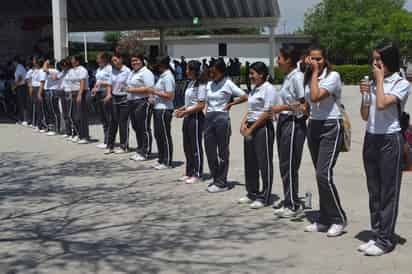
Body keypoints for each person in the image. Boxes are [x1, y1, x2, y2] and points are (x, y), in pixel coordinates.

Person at [358, 44, 410, 256]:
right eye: (373, 60)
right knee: (374, 190)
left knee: (388, 191)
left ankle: (386, 240)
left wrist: (378, 81)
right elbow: (365, 114)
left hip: (390, 138)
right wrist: (364, 94)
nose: (375, 64)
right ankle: (377, 232)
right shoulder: (373, 83)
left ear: (389, 60)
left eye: (379, 59)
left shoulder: (401, 83)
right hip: (371, 137)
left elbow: (382, 104)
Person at [303, 46, 347, 237]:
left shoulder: (333, 76)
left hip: (331, 126)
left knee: (323, 174)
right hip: (313, 125)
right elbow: (309, 102)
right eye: (312, 59)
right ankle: (324, 218)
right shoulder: (307, 76)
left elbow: (316, 96)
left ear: (325, 59)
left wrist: (312, 72)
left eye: (319, 59)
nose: (316, 62)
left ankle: (339, 219)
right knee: (320, 175)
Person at [272, 46, 307, 218]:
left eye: (279, 58)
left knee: (290, 164)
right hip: (284, 122)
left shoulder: (297, 78)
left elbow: (304, 104)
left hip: (294, 122)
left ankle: (293, 205)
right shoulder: (288, 77)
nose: (277, 61)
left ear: (288, 60)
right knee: (285, 164)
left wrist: (283, 107)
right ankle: (289, 199)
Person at [238, 62, 277, 208]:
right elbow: (251, 110)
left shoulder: (269, 89)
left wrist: (252, 128)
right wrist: (243, 123)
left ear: (261, 74)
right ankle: (252, 192)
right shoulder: (255, 89)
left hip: (262, 128)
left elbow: (267, 113)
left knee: (264, 162)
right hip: (251, 126)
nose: (250, 76)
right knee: (250, 161)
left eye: (252, 73)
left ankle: (265, 196)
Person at [205, 59, 248, 190]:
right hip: (209, 118)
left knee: (222, 151)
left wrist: (230, 104)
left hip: (221, 118)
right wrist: (206, 111)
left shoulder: (228, 83)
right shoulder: (209, 84)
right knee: (209, 150)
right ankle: (215, 177)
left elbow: (244, 96)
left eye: (214, 72)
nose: (211, 74)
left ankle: (222, 182)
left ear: (221, 72)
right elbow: (207, 100)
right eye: (210, 72)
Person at [175, 60, 207, 183]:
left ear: (193, 71)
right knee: (187, 146)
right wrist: (181, 109)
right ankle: (189, 171)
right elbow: (189, 103)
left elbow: (200, 105)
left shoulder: (201, 85)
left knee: (196, 146)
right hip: (188, 116)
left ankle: (198, 173)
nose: (186, 71)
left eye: (188, 69)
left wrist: (185, 112)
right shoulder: (190, 83)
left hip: (196, 118)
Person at [127, 52, 155, 161]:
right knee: (136, 127)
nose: (134, 63)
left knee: (144, 127)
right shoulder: (132, 72)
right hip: (132, 102)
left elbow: (150, 88)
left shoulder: (146, 73)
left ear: (142, 61)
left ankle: (146, 152)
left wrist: (131, 90)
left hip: (142, 102)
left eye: (136, 60)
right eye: (132, 61)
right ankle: (140, 149)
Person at [150, 56, 176, 170]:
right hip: (158, 108)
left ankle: (167, 161)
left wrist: (154, 92)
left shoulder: (168, 77)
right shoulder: (162, 76)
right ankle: (161, 158)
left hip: (164, 109)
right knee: (158, 135)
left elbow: (170, 95)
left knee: (164, 135)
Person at [105, 52, 131, 154]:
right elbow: (109, 84)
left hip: (124, 98)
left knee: (123, 123)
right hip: (114, 98)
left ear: (121, 60)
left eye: (115, 60)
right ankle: (110, 145)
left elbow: (129, 85)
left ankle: (124, 146)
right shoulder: (112, 71)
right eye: (112, 61)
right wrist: (108, 94)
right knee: (112, 122)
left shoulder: (127, 71)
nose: (114, 62)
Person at [67, 54, 90, 144]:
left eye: (72, 58)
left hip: (82, 93)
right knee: (74, 115)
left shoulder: (82, 70)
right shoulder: (71, 70)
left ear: (77, 61)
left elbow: (82, 83)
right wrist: (70, 93)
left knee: (81, 115)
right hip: (73, 93)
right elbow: (70, 83)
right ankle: (77, 134)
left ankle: (84, 136)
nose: (71, 60)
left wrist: (80, 95)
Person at [93, 52, 113, 149]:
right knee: (102, 118)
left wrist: (101, 83)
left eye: (98, 58)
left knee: (108, 117)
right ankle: (106, 139)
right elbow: (97, 81)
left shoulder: (109, 68)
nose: (97, 60)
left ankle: (109, 140)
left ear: (104, 59)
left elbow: (111, 81)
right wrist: (94, 88)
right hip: (98, 93)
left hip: (106, 92)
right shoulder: (99, 69)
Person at [43, 59, 62, 136]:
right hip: (50, 91)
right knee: (52, 110)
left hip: (52, 91)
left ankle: (57, 129)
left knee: (54, 111)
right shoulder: (53, 71)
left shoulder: (53, 70)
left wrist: (46, 62)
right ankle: (54, 128)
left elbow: (44, 69)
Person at [31, 57, 47, 132]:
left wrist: (39, 93)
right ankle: (38, 124)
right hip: (34, 88)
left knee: (41, 108)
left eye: (34, 60)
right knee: (37, 108)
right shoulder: (35, 70)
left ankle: (42, 125)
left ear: (37, 62)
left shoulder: (41, 71)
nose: (33, 61)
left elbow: (42, 82)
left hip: (38, 89)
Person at [13, 57, 28, 125]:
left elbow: (19, 78)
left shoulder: (19, 68)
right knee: (21, 103)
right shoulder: (20, 67)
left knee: (22, 103)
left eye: (13, 63)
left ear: (16, 62)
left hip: (21, 87)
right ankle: (23, 119)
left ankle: (24, 119)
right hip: (21, 86)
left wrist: (14, 86)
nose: (13, 64)